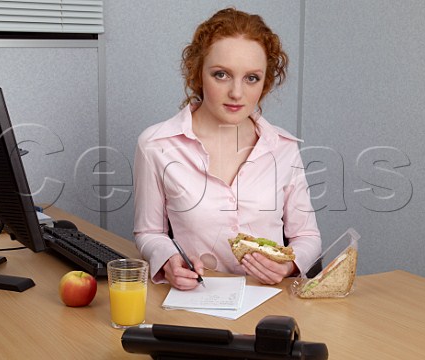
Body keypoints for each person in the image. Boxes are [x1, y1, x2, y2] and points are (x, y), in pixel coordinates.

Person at [134, 8, 321, 290]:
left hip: (269, 303)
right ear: (198, 74)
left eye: (251, 78)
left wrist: (288, 265)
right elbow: (149, 232)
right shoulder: (156, 145)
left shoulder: (283, 148)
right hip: (196, 300)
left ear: (265, 82)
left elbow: (308, 236)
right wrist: (168, 259)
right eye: (221, 75)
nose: (237, 93)